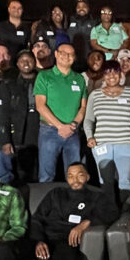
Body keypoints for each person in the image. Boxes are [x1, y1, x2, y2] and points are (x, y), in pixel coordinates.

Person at [83, 60, 130, 203]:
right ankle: (109, 213)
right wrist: (89, 136)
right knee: (105, 182)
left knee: (126, 181)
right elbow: (88, 120)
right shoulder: (95, 95)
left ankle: (127, 214)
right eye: (107, 72)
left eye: (115, 72)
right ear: (103, 76)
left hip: (125, 143)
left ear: (120, 74)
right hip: (101, 144)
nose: (111, 76)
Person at [34, 43, 87, 183]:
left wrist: (73, 124)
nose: (67, 56)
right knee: (46, 175)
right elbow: (40, 105)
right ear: (56, 54)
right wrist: (60, 126)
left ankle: (74, 204)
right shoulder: (44, 76)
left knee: (75, 176)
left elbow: (83, 108)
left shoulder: (80, 79)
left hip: (73, 132)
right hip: (49, 131)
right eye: (63, 53)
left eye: (71, 54)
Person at [9, 50, 40, 183]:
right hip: (20, 126)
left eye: (29, 60)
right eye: (22, 60)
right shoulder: (11, 83)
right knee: (20, 166)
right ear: (17, 64)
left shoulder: (43, 79)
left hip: (39, 124)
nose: (26, 63)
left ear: (35, 62)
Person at [66, 0, 97, 72]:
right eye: (78, 7)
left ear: (88, 8)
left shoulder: (95, 22)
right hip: (71, 59)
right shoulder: (68, 20)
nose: (81, 9)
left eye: (84, 6)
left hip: (88, 59)